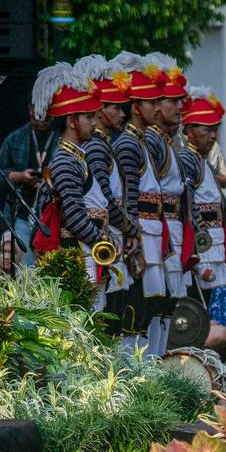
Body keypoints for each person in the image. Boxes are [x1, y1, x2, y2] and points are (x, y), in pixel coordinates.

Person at [32, 62, 107, 311]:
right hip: (77, 255)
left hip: (85, 251)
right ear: (72, 120)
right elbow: (74, 216)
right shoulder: (65, 161)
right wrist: (102, 240)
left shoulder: (76, 157)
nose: (94, 123)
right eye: (88, 117)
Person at [74, 55, 139, 333]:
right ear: (100, 112)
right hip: (105, 237)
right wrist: (129, 226)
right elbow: (107, 200)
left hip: (114, 236)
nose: (123, 114)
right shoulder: (97, 148)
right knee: (106, 315)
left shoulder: (102, 144)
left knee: (117, 312)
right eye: (116, 108)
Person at [111, 52, 169, 347]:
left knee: (155, 307)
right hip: (141, 235)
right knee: (136, 310)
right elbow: (129, 197)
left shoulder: (143, 141)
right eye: (151, 102)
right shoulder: (127, 144)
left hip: (152, 234)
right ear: (136, 107)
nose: (158, 109)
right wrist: (132, 237)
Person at [179, 86, 226, 350]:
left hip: (216, 251)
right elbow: (189, 211)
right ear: (189, 130)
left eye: (215, 129)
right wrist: (198, 259)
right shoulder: (188, 160)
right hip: (204, 257)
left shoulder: (203, 160)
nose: (213, 135)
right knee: (199, 323)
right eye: (206, 129)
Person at [143, 53, 189, 304]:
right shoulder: (152, 139)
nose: (180, 107)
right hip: (161, 227)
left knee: (170, 304)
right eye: (174, 101)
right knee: (160, 302)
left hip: (172, 227)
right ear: (157, 105)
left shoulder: (165, 139)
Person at [0, 104, 58, 266]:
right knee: (26, 266)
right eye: (38, 115)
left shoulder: (61, 138)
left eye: (47, 115)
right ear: (30, 109)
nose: (42, 120)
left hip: (52, 215)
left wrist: (48, 183)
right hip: (22, 212)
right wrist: (22, 176)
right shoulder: (17, 138)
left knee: (51, 267)